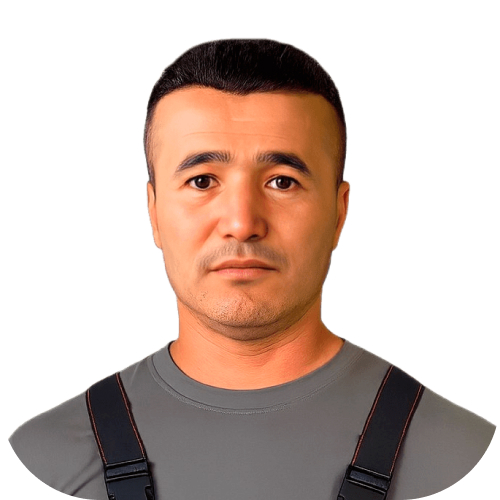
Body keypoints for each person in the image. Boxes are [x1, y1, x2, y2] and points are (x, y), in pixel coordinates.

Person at [9, 39, 495, 500]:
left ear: (339, 213)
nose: (242, 223)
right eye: (202, 181)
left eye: (282, 182)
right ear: (153, 212)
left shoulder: (467, 458)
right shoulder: (38, 461)